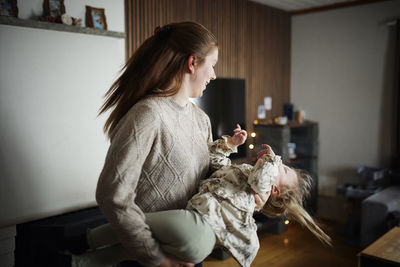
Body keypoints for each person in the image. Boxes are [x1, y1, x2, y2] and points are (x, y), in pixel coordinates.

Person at [80, 21, 269, 267]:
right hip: (145, 259)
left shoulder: (201, 120)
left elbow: (207, 180)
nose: (213, 75)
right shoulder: (147, 115)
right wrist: (157, 259)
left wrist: (249, 195)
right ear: (192, 63)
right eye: (212, 65)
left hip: (187, 254)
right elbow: (112, 194)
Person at [74, 128, 331, 267]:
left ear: (276, 190)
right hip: (196, 239)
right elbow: (216, 163)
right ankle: (82, 261)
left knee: (135, 221)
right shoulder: (243, 173)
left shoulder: (260, 192)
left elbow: (261, 179)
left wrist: (272, 160)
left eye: (283, 170)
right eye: (282, 164)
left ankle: (85, 238)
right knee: (131, 248)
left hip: (198, 227)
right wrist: (230, 144)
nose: (280, 163)